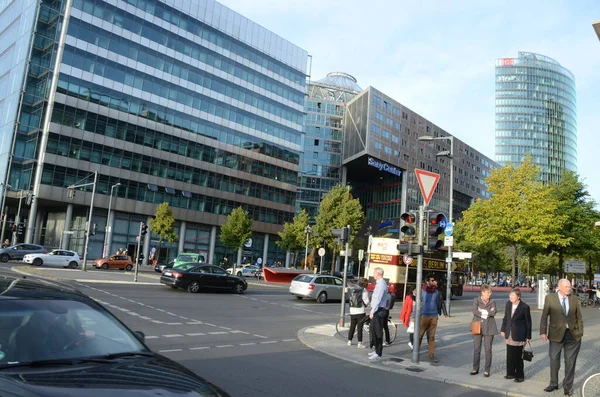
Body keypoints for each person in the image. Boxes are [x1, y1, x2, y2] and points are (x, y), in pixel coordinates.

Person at [539, 278, 583, 396]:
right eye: (567, 287)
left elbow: (579, 317)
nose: (569, 289)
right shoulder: (550, 298)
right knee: (554, 359)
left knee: (570, 362)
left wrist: (580, 332)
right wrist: (543, 331)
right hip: (555, 334)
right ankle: (553, 383)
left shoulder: (574, 299)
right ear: (559, 287)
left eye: (570, 287)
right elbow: (544, 316)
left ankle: (567, 387)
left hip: (572, 335)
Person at [500, 288, 532, 383]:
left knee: (518, 356)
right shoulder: (508, 304)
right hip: (509, 333)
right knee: (509, 355)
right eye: (510, 295)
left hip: (519, 334)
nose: (510, 297)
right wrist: (502, 329)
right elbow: (505, 318)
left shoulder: (524, 307)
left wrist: (528, 336)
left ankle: (520, 376)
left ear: (518, 297)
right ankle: (510, 373)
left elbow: (528, 322)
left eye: (513, 295)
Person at [470, 284, 498, 377]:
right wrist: (485, 313)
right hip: (478, 325)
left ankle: (487, 370)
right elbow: (474, 311)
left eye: (490, 292)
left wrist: (482, 311)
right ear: (482, 292)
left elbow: (493, 312)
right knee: (477, 348)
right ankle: (475, 368)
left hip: (489, 327)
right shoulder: (476, 300)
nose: (490, 294)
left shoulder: (493, 301)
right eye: (488, 292)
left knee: (488, 349)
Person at [418, 275, 444, 363]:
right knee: (420, 334)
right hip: (424, 315)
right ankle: (416, 351)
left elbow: (438, 303)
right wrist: (414, 316)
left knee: (432, 336)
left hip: (433, 316)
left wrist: (437, 313)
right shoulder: (422, 291)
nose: (433, 282)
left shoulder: (436, 292)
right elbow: (418, 303)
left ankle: (431, 354)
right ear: (427, 282)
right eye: (432, 280)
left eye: (434, 280)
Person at [367, 267, 388, 361]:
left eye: (374, 272)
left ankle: (378, 352)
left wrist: (372, 311)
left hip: (378, 311)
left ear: (378, 273)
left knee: (378, 332)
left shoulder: (381, 285)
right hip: (377, 310)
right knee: (374, 331)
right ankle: (376, 350)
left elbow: (378, 299)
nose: (373, 274)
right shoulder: (380, 283)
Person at [347, 278, 370, 348]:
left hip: (352, 310)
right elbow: (366, 302)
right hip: (360, 311)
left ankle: (349, 341)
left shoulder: (353, 289)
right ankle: (359, 343)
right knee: (359, 328)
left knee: (352, 327)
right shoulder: (364, 290)